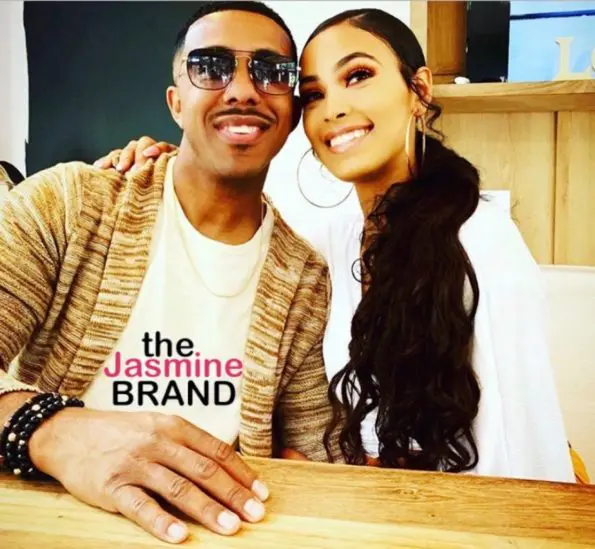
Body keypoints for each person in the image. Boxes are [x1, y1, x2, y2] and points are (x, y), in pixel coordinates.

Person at [105, 7, 577, 483]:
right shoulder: (327, 247)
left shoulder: (481, 242)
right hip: (345, 507)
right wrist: (166, 169)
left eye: (358, 76)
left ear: (419, 90)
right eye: (314, 95)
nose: (333, 109)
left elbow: (521, 453)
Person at [0, 2, 342, 545]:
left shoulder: (303, 278)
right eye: (211, 67)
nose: (242, 90)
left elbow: (314, 452)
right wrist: (53, 431)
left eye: (271, 71)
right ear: (176, 102)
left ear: (293, 109)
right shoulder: (68, 205)